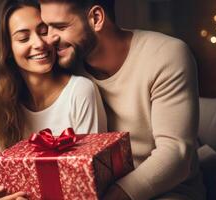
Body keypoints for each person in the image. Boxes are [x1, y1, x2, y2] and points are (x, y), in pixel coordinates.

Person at [38, 0, 206, 199]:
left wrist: (114, 196)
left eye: (60, 26)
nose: (48, 39)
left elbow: (175, 156)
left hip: (169, 190)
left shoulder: (166, 55)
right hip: (97, 190)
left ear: (96, 18)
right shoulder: (66, 64)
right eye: (46, 27)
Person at [0, 0, 107, 199]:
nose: (39, 44)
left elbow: (89, 180)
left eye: (43, 31)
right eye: (23, 38)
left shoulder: (80, 91)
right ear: (6, 50)